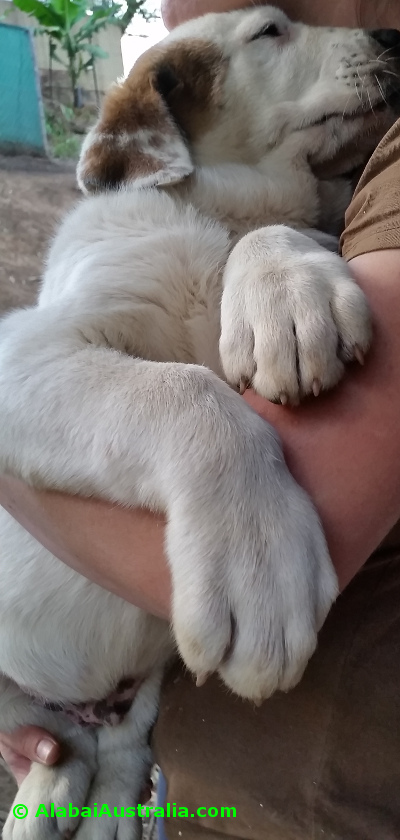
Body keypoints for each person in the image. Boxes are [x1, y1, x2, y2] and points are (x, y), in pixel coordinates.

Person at [1, 0, 400, 835]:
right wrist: (199, 433)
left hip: (146, 718)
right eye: (269, 35)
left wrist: (279, 245)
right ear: (157, 118)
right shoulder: (124, 228)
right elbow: (21, 386)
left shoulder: (309, 236)